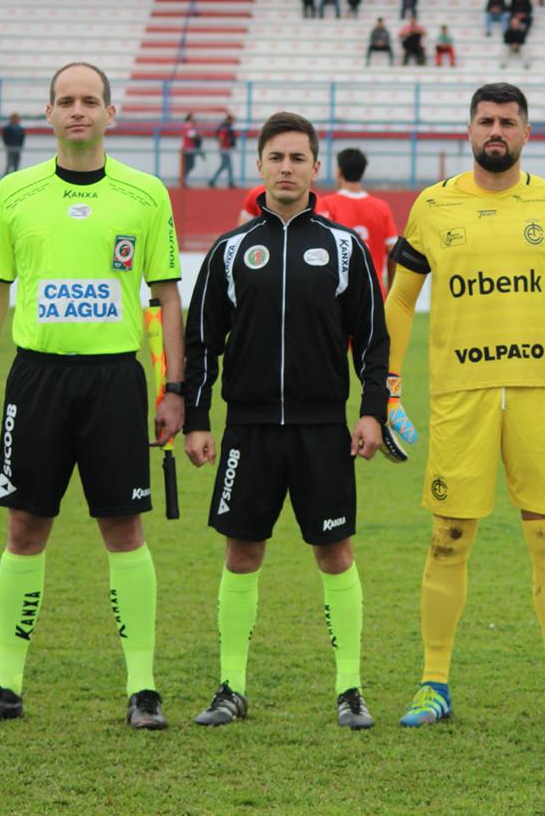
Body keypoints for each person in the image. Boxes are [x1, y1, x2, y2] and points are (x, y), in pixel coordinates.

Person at [0, 61, 183, 729]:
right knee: (24, 525)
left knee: (124, 526)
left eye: (90, 100)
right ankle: (5, 683)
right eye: (66, 100)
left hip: (115, 379)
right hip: (37, 377)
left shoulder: (144, 195)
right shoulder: (14, 193)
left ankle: (142, 687)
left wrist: (174, 385)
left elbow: (166, 295)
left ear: (111, 114)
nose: (78, 110)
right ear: (48, 115)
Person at [385, 83, 545, 729]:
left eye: (508, 121)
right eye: (486, 120)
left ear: (526, 132)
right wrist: (387, 386)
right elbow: (399, 300)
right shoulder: (433, 205)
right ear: (470, 128)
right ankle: (433, 682)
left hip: (539, 396)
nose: (496, 131)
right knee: (447, 538)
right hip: (460, 396)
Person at [183, 112, 388, 730]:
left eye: (299, 158)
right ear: (259, 165)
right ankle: (231, 686)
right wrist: (197, 418)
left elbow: (374, 341)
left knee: (335, 552)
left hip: (323, 427)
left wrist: (372, 412)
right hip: (246, 429)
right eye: (277, 157)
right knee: (242, 553)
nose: (287, 168)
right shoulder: (230, 249)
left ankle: (349, 689)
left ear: (316, 167)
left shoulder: (345, 246)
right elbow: (201, 343)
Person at [317, 148, 400, 295]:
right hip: (375, 292)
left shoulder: (327, 205)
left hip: (340, 294)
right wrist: (391, 289)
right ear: (362, 173)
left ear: (339, 172)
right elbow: (393, 252)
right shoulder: (381, 208)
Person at [209, 112, 237, 189]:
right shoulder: (225, 127)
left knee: (223, 166)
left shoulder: (226, 126)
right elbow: (222, 137)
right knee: (229, 166)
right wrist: (222, 147)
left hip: (225, 148)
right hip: (225, 149)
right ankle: (230, 182)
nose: (234, 122)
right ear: (229, 120)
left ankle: (212, 181)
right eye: (233, 120)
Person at [182, 113, 203, 186]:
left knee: (190, 165)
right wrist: (199, 135)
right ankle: (183, 179)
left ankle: (184, 179)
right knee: (189, 165)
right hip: (188, 149)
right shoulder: (188, 126)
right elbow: (192, 135)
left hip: (190, 148)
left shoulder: (190, 126)